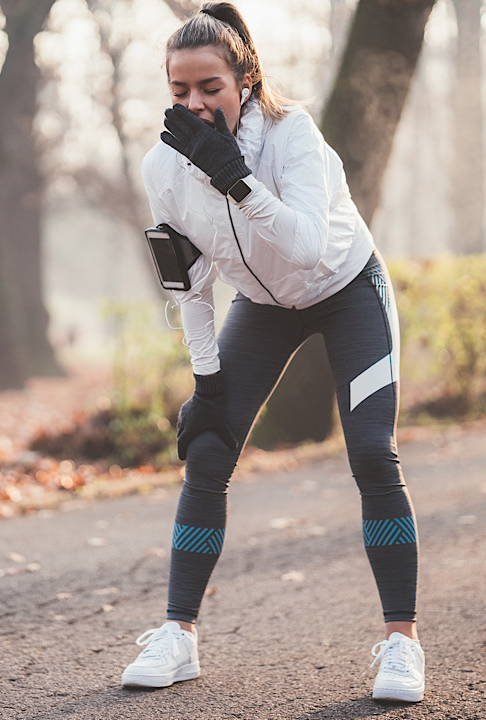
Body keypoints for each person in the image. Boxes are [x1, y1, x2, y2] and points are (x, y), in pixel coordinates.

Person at [120, 2, 424, 703]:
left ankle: (403, 645)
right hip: (261, 308)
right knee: (207, 450)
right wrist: (207, 382)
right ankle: (179, 636)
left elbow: (311, 248)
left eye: (210, 88)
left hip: (348, 289)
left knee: (373, 451)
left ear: (246, 80)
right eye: (179, 92)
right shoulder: (162, 168)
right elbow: (189, 284)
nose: (194, 104)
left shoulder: (293, 137)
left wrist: (238, 180)